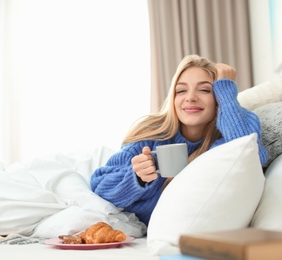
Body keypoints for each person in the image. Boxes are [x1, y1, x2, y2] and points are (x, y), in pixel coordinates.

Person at [90, 54, 268, 227]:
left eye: (205, 89)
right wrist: (136, 177)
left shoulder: (233, 131)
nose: (190, 97)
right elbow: (99, 187)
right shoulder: (150, 133)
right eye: (181, 90)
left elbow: (251, 159)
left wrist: (227, 93)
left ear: (219, 97)